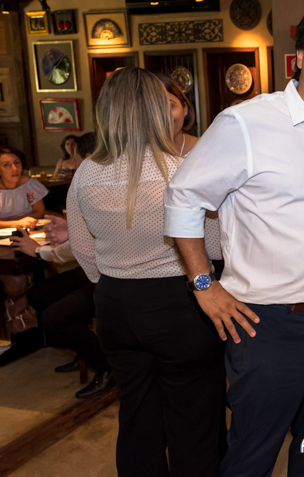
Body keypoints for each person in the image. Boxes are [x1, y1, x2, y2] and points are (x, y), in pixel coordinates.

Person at [163, 2, 304, 476]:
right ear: (298, 57)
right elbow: (182, 198)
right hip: (267, 326)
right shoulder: (246, 123)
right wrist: (203, 286)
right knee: (252, 458)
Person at [68, 67, 225, 476]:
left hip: (115, 303)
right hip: (179, 303)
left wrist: (115, 280)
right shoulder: (183, 170)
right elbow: (213, 247)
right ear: (156, 109)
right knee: (193, 424)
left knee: (137, 418)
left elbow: (81, 247)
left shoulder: (87, 170)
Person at [11, 134, 113, 399]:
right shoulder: (92, 183)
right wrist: (69, 228)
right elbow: (88, 236)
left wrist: (39, 251)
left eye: (75, 160)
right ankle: (85, 350)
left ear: (88, 159)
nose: (74, 166)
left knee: (52, 319)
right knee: (38, 294)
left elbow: (79, 247)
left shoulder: (96, 188)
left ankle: (105, 366)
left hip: (107, 277)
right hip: (91, 270)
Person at [0, 145, 48, 331]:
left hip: (27, 238)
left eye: (17, 163)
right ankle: (18, 309)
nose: (14, 168)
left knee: (49, 276)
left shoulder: (27, 183)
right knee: (18, 282)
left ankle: (17, 308)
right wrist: (17, 222)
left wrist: (23, 223)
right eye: (6, 165)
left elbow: (39, 211)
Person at [157, 75, 199, 157]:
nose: (163, 117)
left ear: (185, 109)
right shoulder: (140, 156)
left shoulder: (205, 148)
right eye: (154, 109)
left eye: (170, 106)